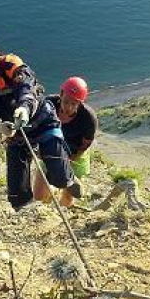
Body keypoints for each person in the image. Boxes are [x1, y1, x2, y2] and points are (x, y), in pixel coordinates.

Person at [0, 40, 81, 210]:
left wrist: (24, 109)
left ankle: (65, 175)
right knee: (16, 195)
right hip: (15, 131)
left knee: (60, 178)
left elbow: (28, 90)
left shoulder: (13, 66)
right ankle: (29, 214)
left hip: (41, 120)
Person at [33, 76, 98, 208]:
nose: (68, 107)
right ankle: (48, 204)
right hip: (50, 150)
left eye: (74, 104)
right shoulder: (48, 105)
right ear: (61, 94)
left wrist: (72, 158)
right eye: (66, 101)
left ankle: (62, 214)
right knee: (39, 195)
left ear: (80, 103)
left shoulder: (88, 118)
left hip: (76, 154)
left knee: (69, 193)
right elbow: (36, 127)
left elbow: (86, 143)